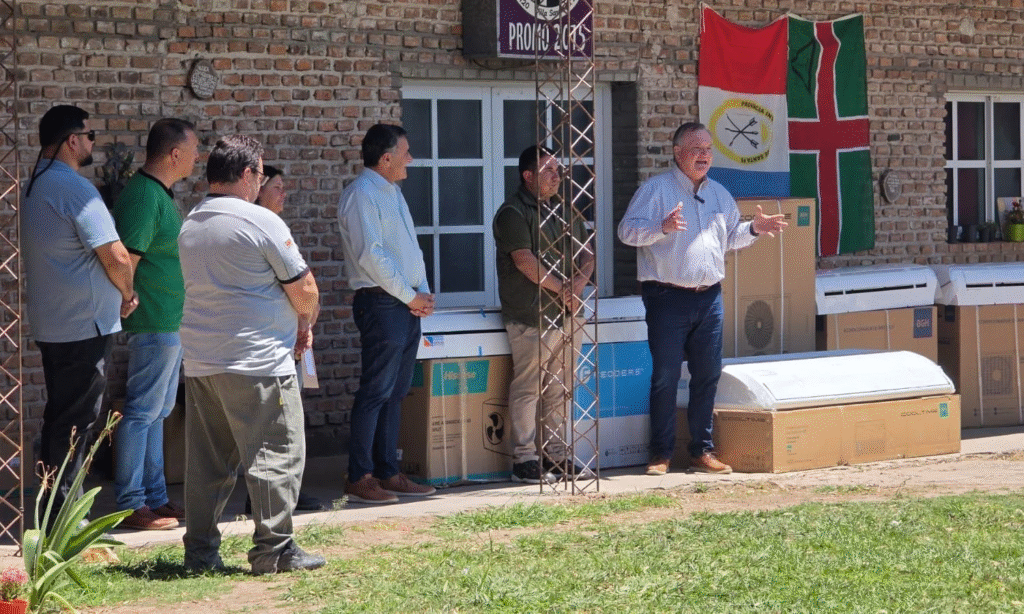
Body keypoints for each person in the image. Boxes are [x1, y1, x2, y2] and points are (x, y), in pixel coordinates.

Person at [179, 135, 324, 574]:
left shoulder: (192, 223)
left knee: (207, 465)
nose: (261, 182)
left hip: (202, 360)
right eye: (260, 174)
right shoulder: (261, 221)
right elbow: (305, 287)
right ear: (246, 174)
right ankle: (273, 550)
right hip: (259, 360)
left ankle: (200, 553)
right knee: (276, 454)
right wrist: (305, 323)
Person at [617, 122, 787, 477]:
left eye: (708, 149)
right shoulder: (656, 190)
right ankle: (661, 454)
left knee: (707, 375)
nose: (704, 156)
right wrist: (660, 228)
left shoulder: (720, 194)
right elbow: (626, 232)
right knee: (665, 377)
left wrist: (754, 229)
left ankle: (702, 452)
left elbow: (731, 238)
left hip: (709, 299)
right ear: (677, 152)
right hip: (666, 297)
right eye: (696, 149)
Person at [21, 105, 138, 521]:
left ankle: (53, 513)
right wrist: (128, 294)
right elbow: (116, 255)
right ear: (72, 141)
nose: (92, 143)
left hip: (55, 325)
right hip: (83, 327)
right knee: (76, 425)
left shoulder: (35, 184)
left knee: (61, 419)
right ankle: (67, 521)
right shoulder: (74, 188)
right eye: (89, 136)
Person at [337, 123, 436, 504]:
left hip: (402, 303)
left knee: (395, 392)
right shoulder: (362, 194)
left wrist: (421, 292)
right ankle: (359, 475)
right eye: (405, 152)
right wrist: (411, 296)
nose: (410, 158)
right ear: (385, 158)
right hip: (381, 303)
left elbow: (410, 249)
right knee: (376, 390)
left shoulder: (391, 191)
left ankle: (387, 471)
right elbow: (371, 256)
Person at [111, 118, 199, 531]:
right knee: (142, 412)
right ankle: (132, 503)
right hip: (153, 320)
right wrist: (127, 296)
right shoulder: (144, 196)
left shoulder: (158, 193)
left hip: (169, 320)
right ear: (174, 153)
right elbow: (128, 258)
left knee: (158, 411)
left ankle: (155, 497)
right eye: (193, 151)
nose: (198, 158)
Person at [493, 145, 596, 484]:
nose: (557, 175)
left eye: (558, 169)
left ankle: (556, 455)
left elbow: (588, 253)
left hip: (568, 312)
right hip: (532, 315)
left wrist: (578, 283)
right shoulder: (513, 212)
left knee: (560, 387)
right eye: (548, 169)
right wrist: (564, 288)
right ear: (528, 175)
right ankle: (524, 459)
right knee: (529, 386)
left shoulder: (565, 210)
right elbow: (525, 261)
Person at [249, 163, 326, 514]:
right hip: (275, 339)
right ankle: (269, 495)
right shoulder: (261, 229)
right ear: (258, 190)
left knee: (289, 420)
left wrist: (306, 320)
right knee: (275, 422)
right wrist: (302, 322)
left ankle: (287, 489)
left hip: (291, 337)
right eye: (276, 186)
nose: (284, 193)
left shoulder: (278, 228)